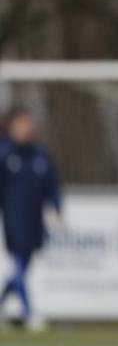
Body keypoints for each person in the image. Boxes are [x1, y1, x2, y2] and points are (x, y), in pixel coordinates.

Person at [0, 109, 61, 329]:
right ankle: (28, 313)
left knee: (21, 267)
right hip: (13, 219)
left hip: (35, 219)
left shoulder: (40, 155)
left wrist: (57, 206)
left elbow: (52, 184)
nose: (26, 129)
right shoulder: (5, 154)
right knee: (20, 264)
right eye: (21, 124)